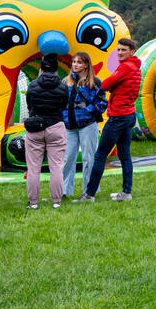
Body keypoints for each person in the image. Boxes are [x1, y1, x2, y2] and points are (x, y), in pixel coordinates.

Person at [77, 38, 141, 202]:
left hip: (118, 116)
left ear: (132, 52)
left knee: (100, 155)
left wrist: (113, 86)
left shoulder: (125, 67)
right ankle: (126, 192)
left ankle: (89, 194)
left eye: (123, 50)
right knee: (125, 156)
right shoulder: (135, 67)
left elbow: (105, 85)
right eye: (118, 49)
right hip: (129, 114)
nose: (119, 52)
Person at [23, 53, 68, 209]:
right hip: (56, 127)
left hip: (35, 128)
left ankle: (33, 203)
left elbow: (29, 105)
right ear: (56, 68)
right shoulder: (63, 87)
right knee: (56, 167)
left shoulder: (33, 85)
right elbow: (64, 106)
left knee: (33, 168)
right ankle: (56, 202)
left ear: (41, 67)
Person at [61, 51, 105, 201]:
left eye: (79, 62)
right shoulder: (65, 82)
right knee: (67, 158)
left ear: (86, 64)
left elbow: (102, 102)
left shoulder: (95, 83)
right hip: (69, 127)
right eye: (74, 62)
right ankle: (64, 190)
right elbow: (60, 102)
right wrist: (62, 116)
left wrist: (88, 111)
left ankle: (89, 190)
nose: (75, 65)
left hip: (88, 125)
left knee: (89, 158)